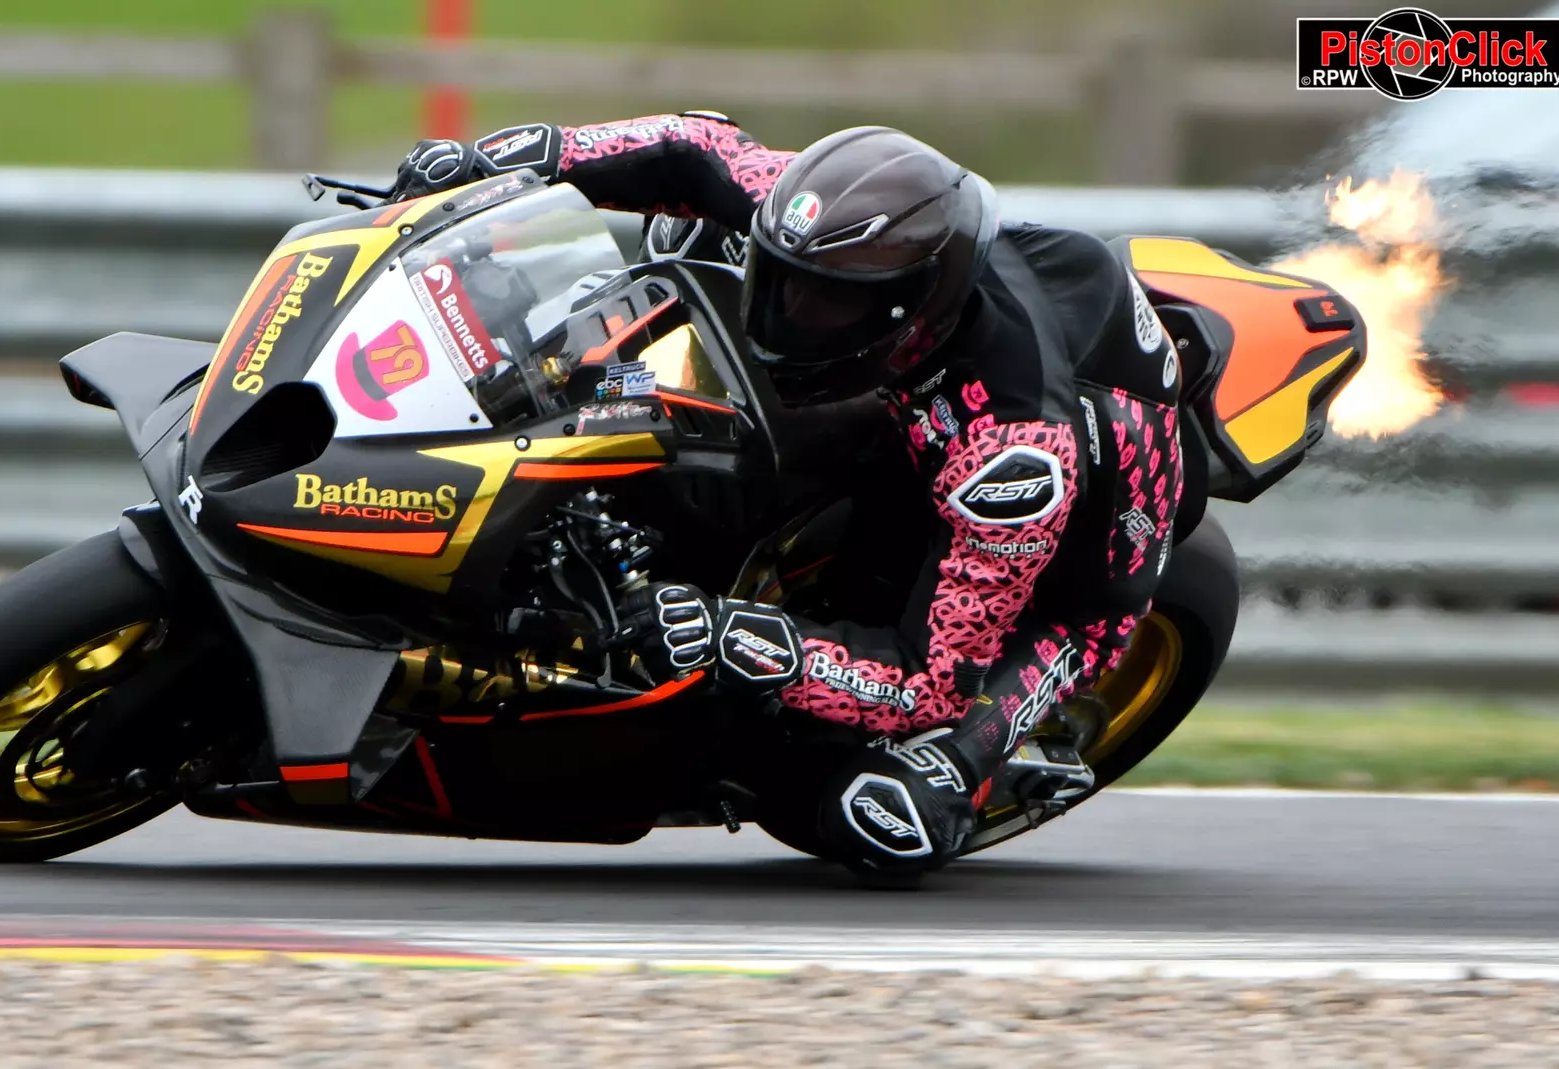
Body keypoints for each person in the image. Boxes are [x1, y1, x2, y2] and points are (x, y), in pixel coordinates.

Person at [388, 113, 1185, 879]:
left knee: (877, 810)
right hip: (919, 398)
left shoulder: (1010, 452)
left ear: (909, 315)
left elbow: (928, 676)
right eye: (782, 282)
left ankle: (974, 762)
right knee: (686, 258)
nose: (782, 313)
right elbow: (692, 146)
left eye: (821, 303)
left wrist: (729, 632)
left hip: (1089, 565)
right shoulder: (839, 244)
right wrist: (509, 157)